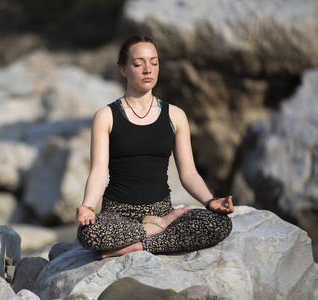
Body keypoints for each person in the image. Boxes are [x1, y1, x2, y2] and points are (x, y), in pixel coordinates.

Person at [76, 35, 234, 259]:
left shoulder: (176, 115)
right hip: (117, 214)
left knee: (219, 224)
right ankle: (154, 230)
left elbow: (188, 173)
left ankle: (137, 245)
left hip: (160, 210)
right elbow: (99, 172)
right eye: (138, 63)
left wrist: (210, 201)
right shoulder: (105, 116)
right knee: (89, 233)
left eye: (154, 62)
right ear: (123, 69)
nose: (148, 69)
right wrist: (88, 207)